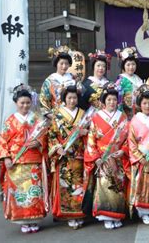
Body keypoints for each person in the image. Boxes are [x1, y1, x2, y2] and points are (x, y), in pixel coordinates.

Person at [0, 85, 48, 233]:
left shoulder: (37, 119)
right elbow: (3, 141)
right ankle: (23, 221)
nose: (25, 105)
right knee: (20, 192)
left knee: (34, 190)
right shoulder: (10, 121)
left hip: (33, 160)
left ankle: (35, 218)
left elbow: (45, 136)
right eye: (22, 103)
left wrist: (38, 142)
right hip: (16, 162)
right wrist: (6, 158)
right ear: (16, 103)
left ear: (31, 103)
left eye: (27, 102)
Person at [85, 84, 129, 229]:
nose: (112, 102)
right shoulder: (97, 117)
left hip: (118, 158)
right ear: (104, 101)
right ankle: (106, 216)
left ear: (118, 101)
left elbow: (128, 138)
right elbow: (91, 138)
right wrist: (96, 157)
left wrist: (123, 150)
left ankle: (117, 214)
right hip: (103, 158)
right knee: (105, 186)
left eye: (114, 100)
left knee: (118, 187)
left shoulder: (122, 117)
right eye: (109, 100)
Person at [48, 85, 87, 229]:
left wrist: (85, 132)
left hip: (79, 154)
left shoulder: (83, 114)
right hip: (64, 155)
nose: (72, 100)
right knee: (66, 185)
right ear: (64, 99)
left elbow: (90, 133)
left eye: (74, 98)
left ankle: (79, 213)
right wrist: (57, 147)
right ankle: (69, 214)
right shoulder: (57, 114)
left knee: (79, 185)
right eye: (69, 98)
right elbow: (51, 134)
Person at [127, 85, 149, 225]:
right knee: (142, 185)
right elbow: (131, 142)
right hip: (141, 159)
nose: (147, 106)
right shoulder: (135, 120)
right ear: (139, 104)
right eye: (144, 103)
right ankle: (143, 213)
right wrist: (138, 156)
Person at [40, 44, 76, 119]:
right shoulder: (50, 80)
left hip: (73, 114)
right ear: (56, 64)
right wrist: (50, 115)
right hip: (56, 115)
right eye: (61, 63)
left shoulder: (73, 78)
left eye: (66, 63)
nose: (64, 66)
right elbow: (43, 100)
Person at [115, 45, 143, 119]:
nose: (131, 67)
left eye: (133, 64)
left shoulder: (138, 79)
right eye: (128, 65)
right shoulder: (121, 79)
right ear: (124, 66)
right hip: (126, 113)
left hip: (139, 112)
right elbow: (119, 100)